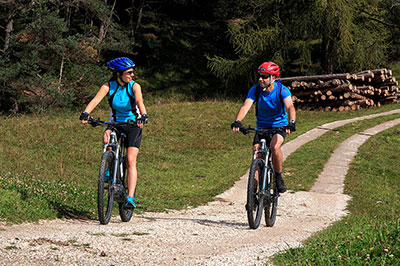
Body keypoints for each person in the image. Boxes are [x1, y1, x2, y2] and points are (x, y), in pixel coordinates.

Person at [79, 57, 148, 209]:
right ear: (119, 74)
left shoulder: (134, 86)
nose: (132, 75)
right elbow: (96, 99)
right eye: (129, 72)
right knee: (106, 139)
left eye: (132, 72)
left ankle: (130, 198)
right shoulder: (108, 86)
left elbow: (139, 101)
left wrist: (143, 115)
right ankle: (110, 169)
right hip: (115, 122)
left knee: (130, 160)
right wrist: (86, 113)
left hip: (133, 124)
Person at [231, 61, 296, 193]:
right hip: (261, 127)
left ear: (273, 78)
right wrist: (237, 121)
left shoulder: (282, 90)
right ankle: (253, 193)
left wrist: (292, 122)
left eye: (265, 76)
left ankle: (278, 177)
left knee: (274, 146)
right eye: (260, 76)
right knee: (256, 153)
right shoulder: (255, 90)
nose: (261, 79)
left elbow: (290, 106)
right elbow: (246, 106)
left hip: (279, 127)